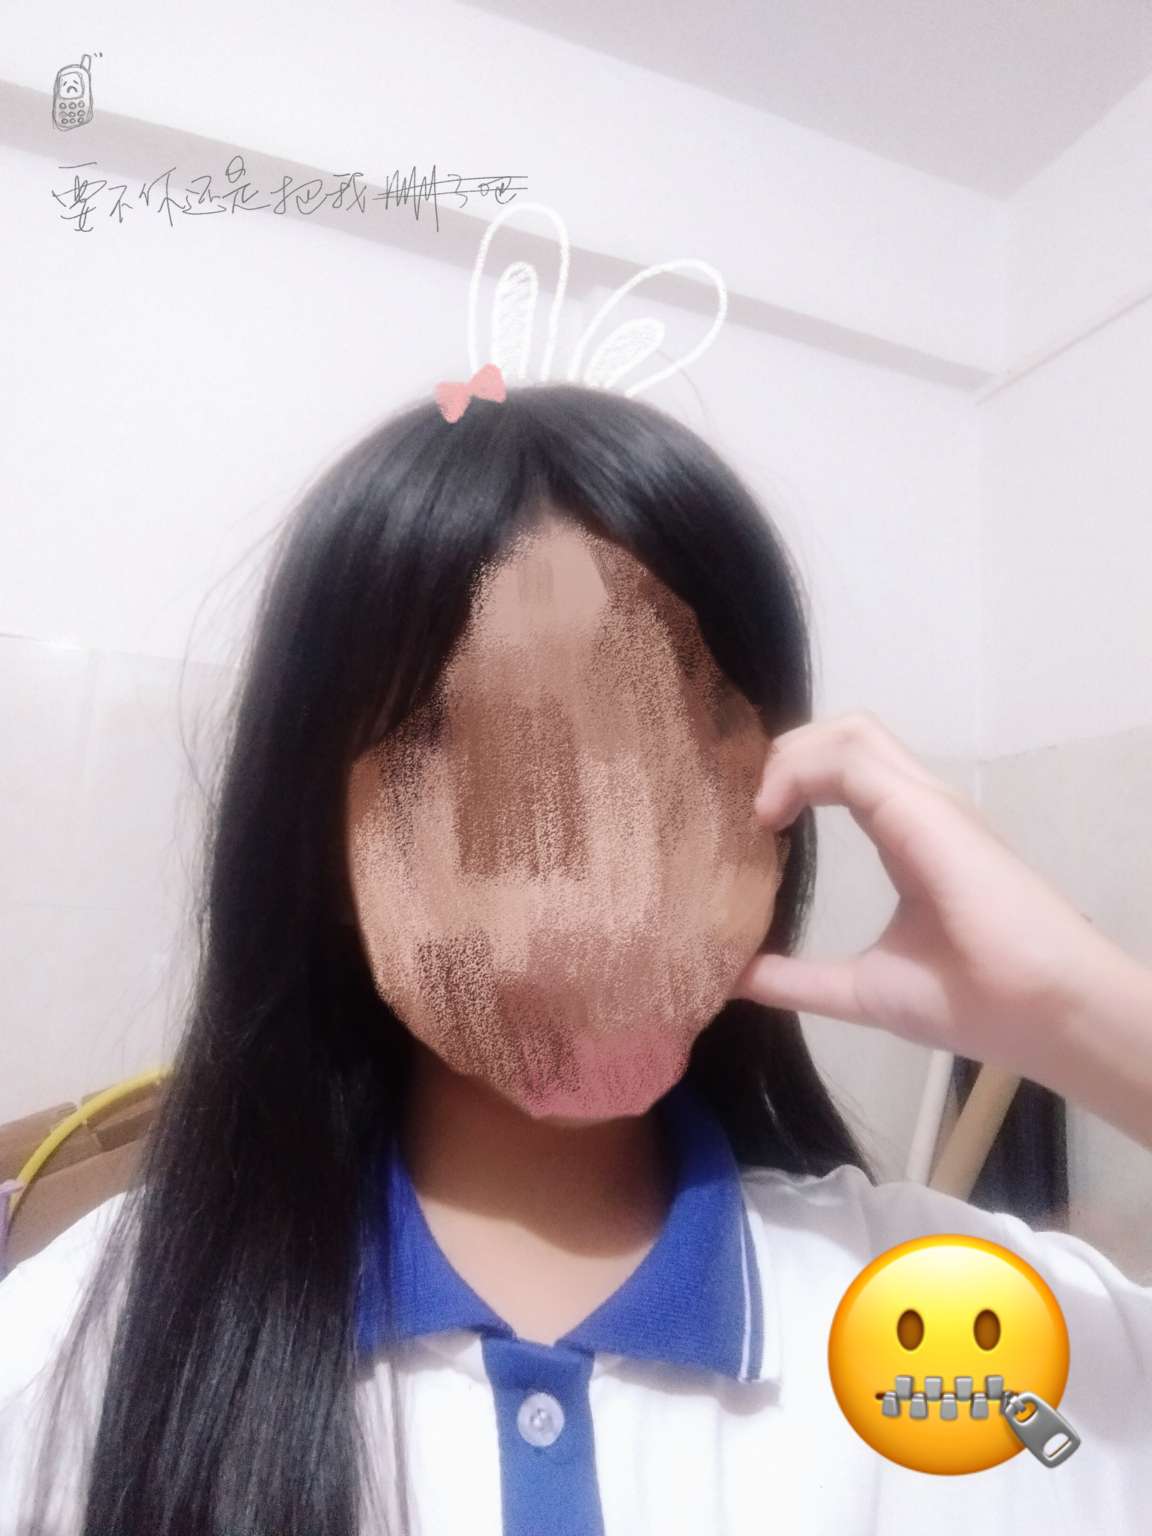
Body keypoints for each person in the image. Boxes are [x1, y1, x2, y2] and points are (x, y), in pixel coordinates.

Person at [0, 381, 1149, 1535]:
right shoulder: (86, 1345)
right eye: (479, 788)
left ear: (775, 807)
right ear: (321, 848)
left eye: (658, 776)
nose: (575, 900)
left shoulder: (951, 1338)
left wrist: (1078, 1007)